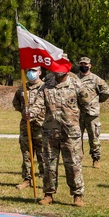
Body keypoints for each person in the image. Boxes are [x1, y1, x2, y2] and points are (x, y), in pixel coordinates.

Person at [38, 66, 94, 207]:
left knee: (73, 164)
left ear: (67, 67)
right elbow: (38, 105)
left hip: (70, 133)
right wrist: (30, 113)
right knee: (49, 165)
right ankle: (48, 194)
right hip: (50, 132)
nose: (59, 69)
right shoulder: (46, 86)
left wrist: (76, 120)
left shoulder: (76, 85)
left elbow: (87, 105)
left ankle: (77, 195)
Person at [75, 56, 109, 168]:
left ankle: (96, 159)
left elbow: (106, 92)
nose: (83, 66)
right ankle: (77, 159)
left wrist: (95, 101)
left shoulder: (96, 79)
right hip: (77, 114)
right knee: (76, 138)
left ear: (90, 65)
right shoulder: (74, 78)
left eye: (86, 64)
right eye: (81, 64)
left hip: (92, 114)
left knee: (94, 138)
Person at [13, 67, 45, 190]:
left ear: (40, 72)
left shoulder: (45, 88)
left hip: (41, 125)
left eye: (34, 70)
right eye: (29, 71)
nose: (31, 73)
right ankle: (27, 179)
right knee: (27, 153)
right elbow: (16, 103)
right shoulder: (22, 88)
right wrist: (23, 112)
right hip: (26, 125)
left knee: (42, 153)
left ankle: (44, 178)